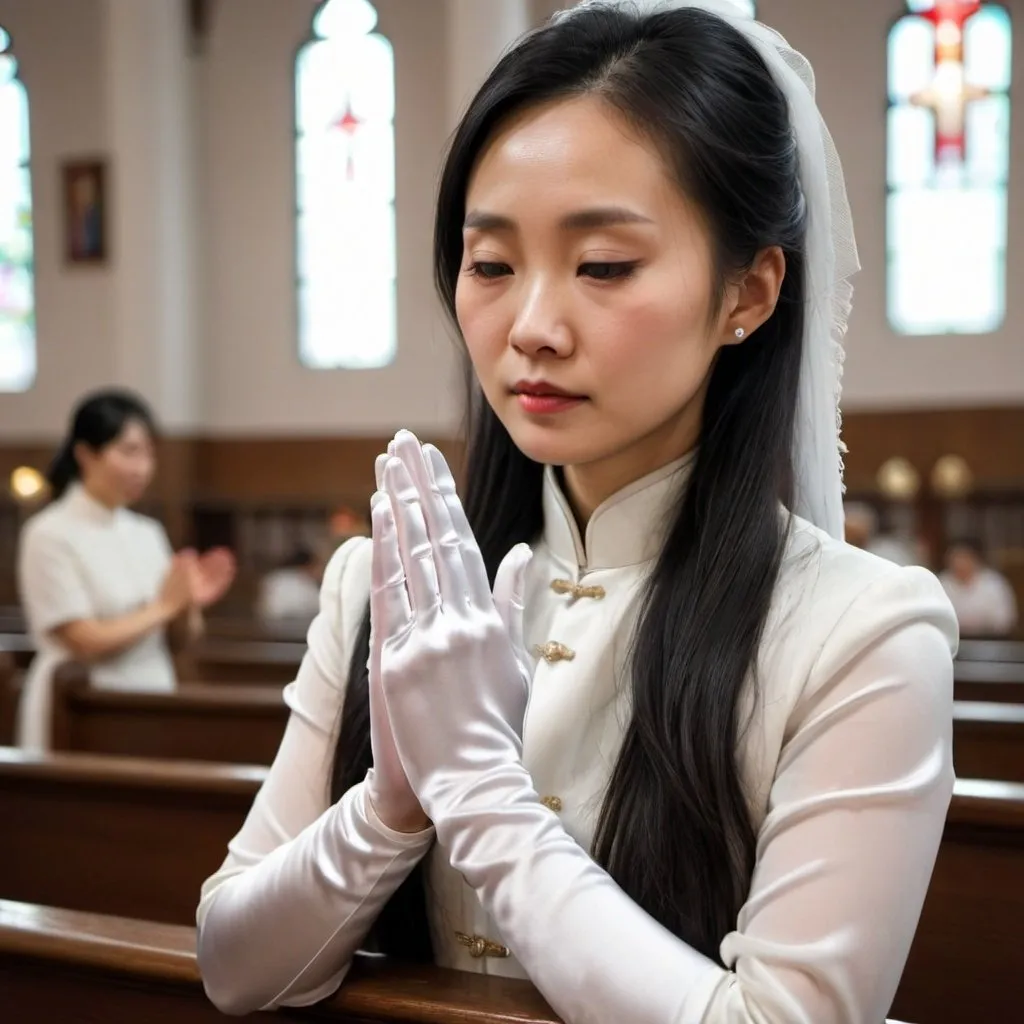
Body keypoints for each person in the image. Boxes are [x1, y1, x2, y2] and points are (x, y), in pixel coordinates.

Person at [196, 3, 958, 1022]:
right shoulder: (378, 581)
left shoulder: (862, 632)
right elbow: (234, 968)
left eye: (603, 266)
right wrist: (390, 804)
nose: (533, 328)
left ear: (749, 291)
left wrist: (486, 801)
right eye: (491, 265)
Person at [16, 388, 237, 750]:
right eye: (129, 451)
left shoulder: (146, 532)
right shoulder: (49, 532)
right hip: (78, 705)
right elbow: (83, 639)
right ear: (86, 454)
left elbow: (179, 640)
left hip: (148, 698)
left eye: (149, 453)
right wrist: (164, 607)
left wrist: (188, 605)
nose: (143, 468)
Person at [940, 538, 1018, 638]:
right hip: (950, 640)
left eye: (965, 557)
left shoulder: (994, 584)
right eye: (956, 557)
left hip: (990, 641)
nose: (960, 563)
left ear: (976, 558)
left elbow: (1006, 621)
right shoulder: (941, 583)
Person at [256, 546, 325, 625]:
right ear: (308, 565)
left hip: (267, 628)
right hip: (297, 629)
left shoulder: (271, 578)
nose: (319, 571)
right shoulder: (304, 580)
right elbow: (318, 607)